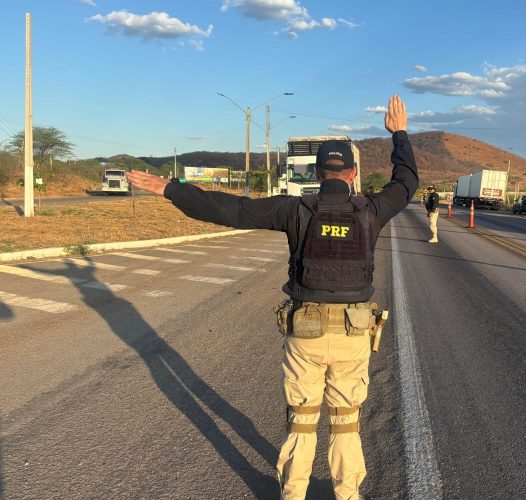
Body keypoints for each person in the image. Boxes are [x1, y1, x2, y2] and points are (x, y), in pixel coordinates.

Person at [126, 95, 418, 500]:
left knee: (302, 419)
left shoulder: (294, 209)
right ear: (352, 174)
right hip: (354, 334)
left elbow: (230, 209)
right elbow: (406, 182)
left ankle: (293, 493)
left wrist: (171, 189)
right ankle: (348, 494)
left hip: (305, 334)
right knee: (346, 420)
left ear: (317, 172)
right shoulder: (371, 209)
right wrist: (399, 134)